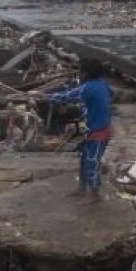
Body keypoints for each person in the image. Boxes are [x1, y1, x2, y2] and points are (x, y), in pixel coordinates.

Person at [42, 59, 113, 203]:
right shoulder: (103, 85)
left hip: (98, 131)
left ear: (86, 73)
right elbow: (111, 95)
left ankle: (94, 194)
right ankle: (82, 189)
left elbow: (65, 97)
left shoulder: (87, 88)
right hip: (98, 128)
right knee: (85, 160)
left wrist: (43, 96)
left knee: (92, 161)